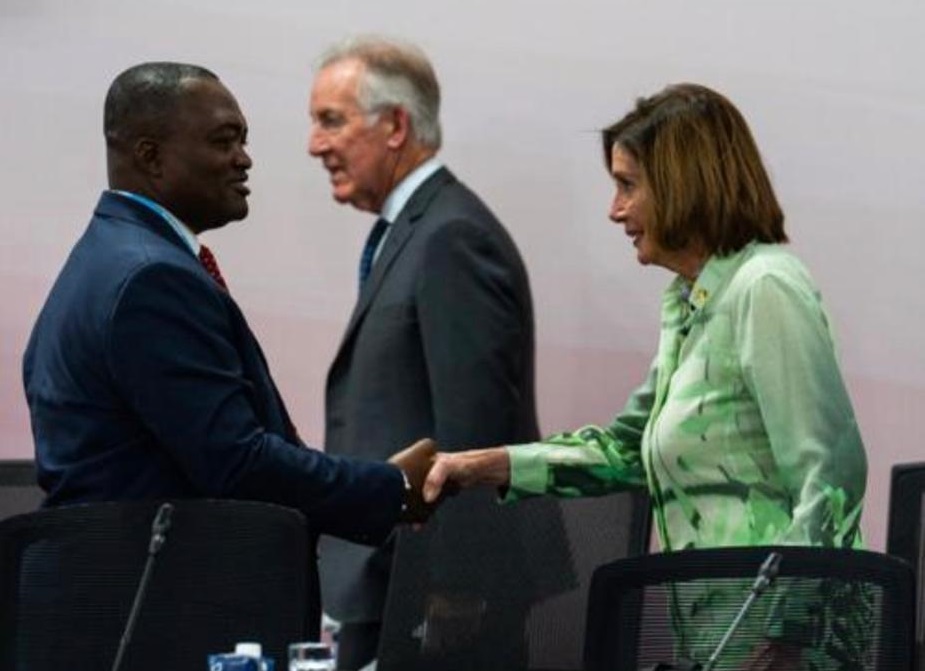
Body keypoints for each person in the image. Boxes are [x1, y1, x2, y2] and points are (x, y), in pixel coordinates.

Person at [424, 84, 869, 670]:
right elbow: (625, 451)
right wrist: (485, 466)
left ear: (685, 182)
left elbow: (832, 474)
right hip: (722, 645)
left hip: (783, 652)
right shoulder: (690, 301)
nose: (615, 210)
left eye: (627, 185)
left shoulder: (765, 287)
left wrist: (785, 636)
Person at [22, 62, 436, 562]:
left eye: (243, 141)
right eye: (224, 141)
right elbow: (238, 463)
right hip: (148, 614)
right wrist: (395, 489)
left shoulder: (110, 257)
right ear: (150, 156)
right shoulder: (150, 279)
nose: (244, 160)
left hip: (117, 603)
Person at [307, 36, 549, 669]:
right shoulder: (414, 231)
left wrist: (458, 586)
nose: (315, 144)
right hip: (391, 582)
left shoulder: (452, 237)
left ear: (395, 125)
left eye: (331, 120)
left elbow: (476, 431)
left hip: (432, 595)